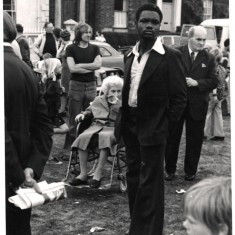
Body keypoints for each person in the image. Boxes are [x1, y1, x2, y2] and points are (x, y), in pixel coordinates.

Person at [118, 4, 187, 235]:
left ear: (159, 26)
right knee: (134, 180)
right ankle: (136, 229)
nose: (149, 25)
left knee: (152, 186)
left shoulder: (170, 57)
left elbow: (179, 99)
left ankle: (150, 231)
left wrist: (165, 128)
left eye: (154, 22)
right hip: (130, 128)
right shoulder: (130, 54)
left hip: (155, 129)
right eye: (145, 21)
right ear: (136, 24)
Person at [4, 11, 53, 235]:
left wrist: (16, 175)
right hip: (23, 173)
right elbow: (44, 127)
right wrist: (31, 168)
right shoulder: (26, 69)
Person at [165, 25, 218, 182]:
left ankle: (190, 172)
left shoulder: (209, 58)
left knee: (194, 140)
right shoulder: (176, 53)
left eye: (204, 40)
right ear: (189, 38)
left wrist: (197, 83)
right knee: (172, 138)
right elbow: (167, 76)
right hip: (176, 105)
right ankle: (169, 170)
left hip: (197, 105)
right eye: (198, 39)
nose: (202, 43)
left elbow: (215, 80)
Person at [69, 75, 123, 188]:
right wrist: (82, 114)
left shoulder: (122, 101)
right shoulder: (98, 99)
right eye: (113, 90)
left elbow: (126, 116)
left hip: (113, 128)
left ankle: (98, 174)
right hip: (96, 126)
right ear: (106, 91)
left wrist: (119, 103)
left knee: (105, 137)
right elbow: (89, 111)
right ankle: (83, 174)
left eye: (119, 91)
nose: (116, 93)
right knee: (82, 137)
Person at [65, 22, 102, 145]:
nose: (88, 34)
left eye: (90, 32)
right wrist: (90, 68)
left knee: (90, 116)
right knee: (74, 117)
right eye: (85, 32)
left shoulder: (95, 48)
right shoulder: (71, 48)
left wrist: (80, 65)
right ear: (78, 33)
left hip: (91, 86)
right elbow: (72, 69)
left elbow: (98, 64)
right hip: (76, 86)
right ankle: (71, 148)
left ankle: (87, 145)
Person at [41, 53, 69, 134]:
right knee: (64, 129)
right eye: (59, 67)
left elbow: (55, 95)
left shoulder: (54, 79)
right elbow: (48, 94)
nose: (61, 68)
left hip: (54, 111)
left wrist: (60, 90)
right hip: (50, 112)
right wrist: (54, 82)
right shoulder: (48, 80)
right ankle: (45, 132)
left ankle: (45, 132)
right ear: (53, 67)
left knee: (65, 129)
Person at [204, 47, 227, 141]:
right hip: (221, 94)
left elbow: (215, 83)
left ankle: (204, 133)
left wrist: (214, 95)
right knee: (218, 113)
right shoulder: (222, 68)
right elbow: (222, 82)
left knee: (207, 113)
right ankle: (219, 134)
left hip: (213, 94)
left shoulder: (213, 69)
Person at [56, 29, 72, 116]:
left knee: (66, 88)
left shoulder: (69, 45)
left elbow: (60, 55)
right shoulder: (65, 45)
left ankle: (66, 108)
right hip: (64, 68)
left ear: (62, 38)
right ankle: (63, 108)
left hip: (68, 69)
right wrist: (62, 46)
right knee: (64, 88)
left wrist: (62, 46)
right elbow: (58, 55)